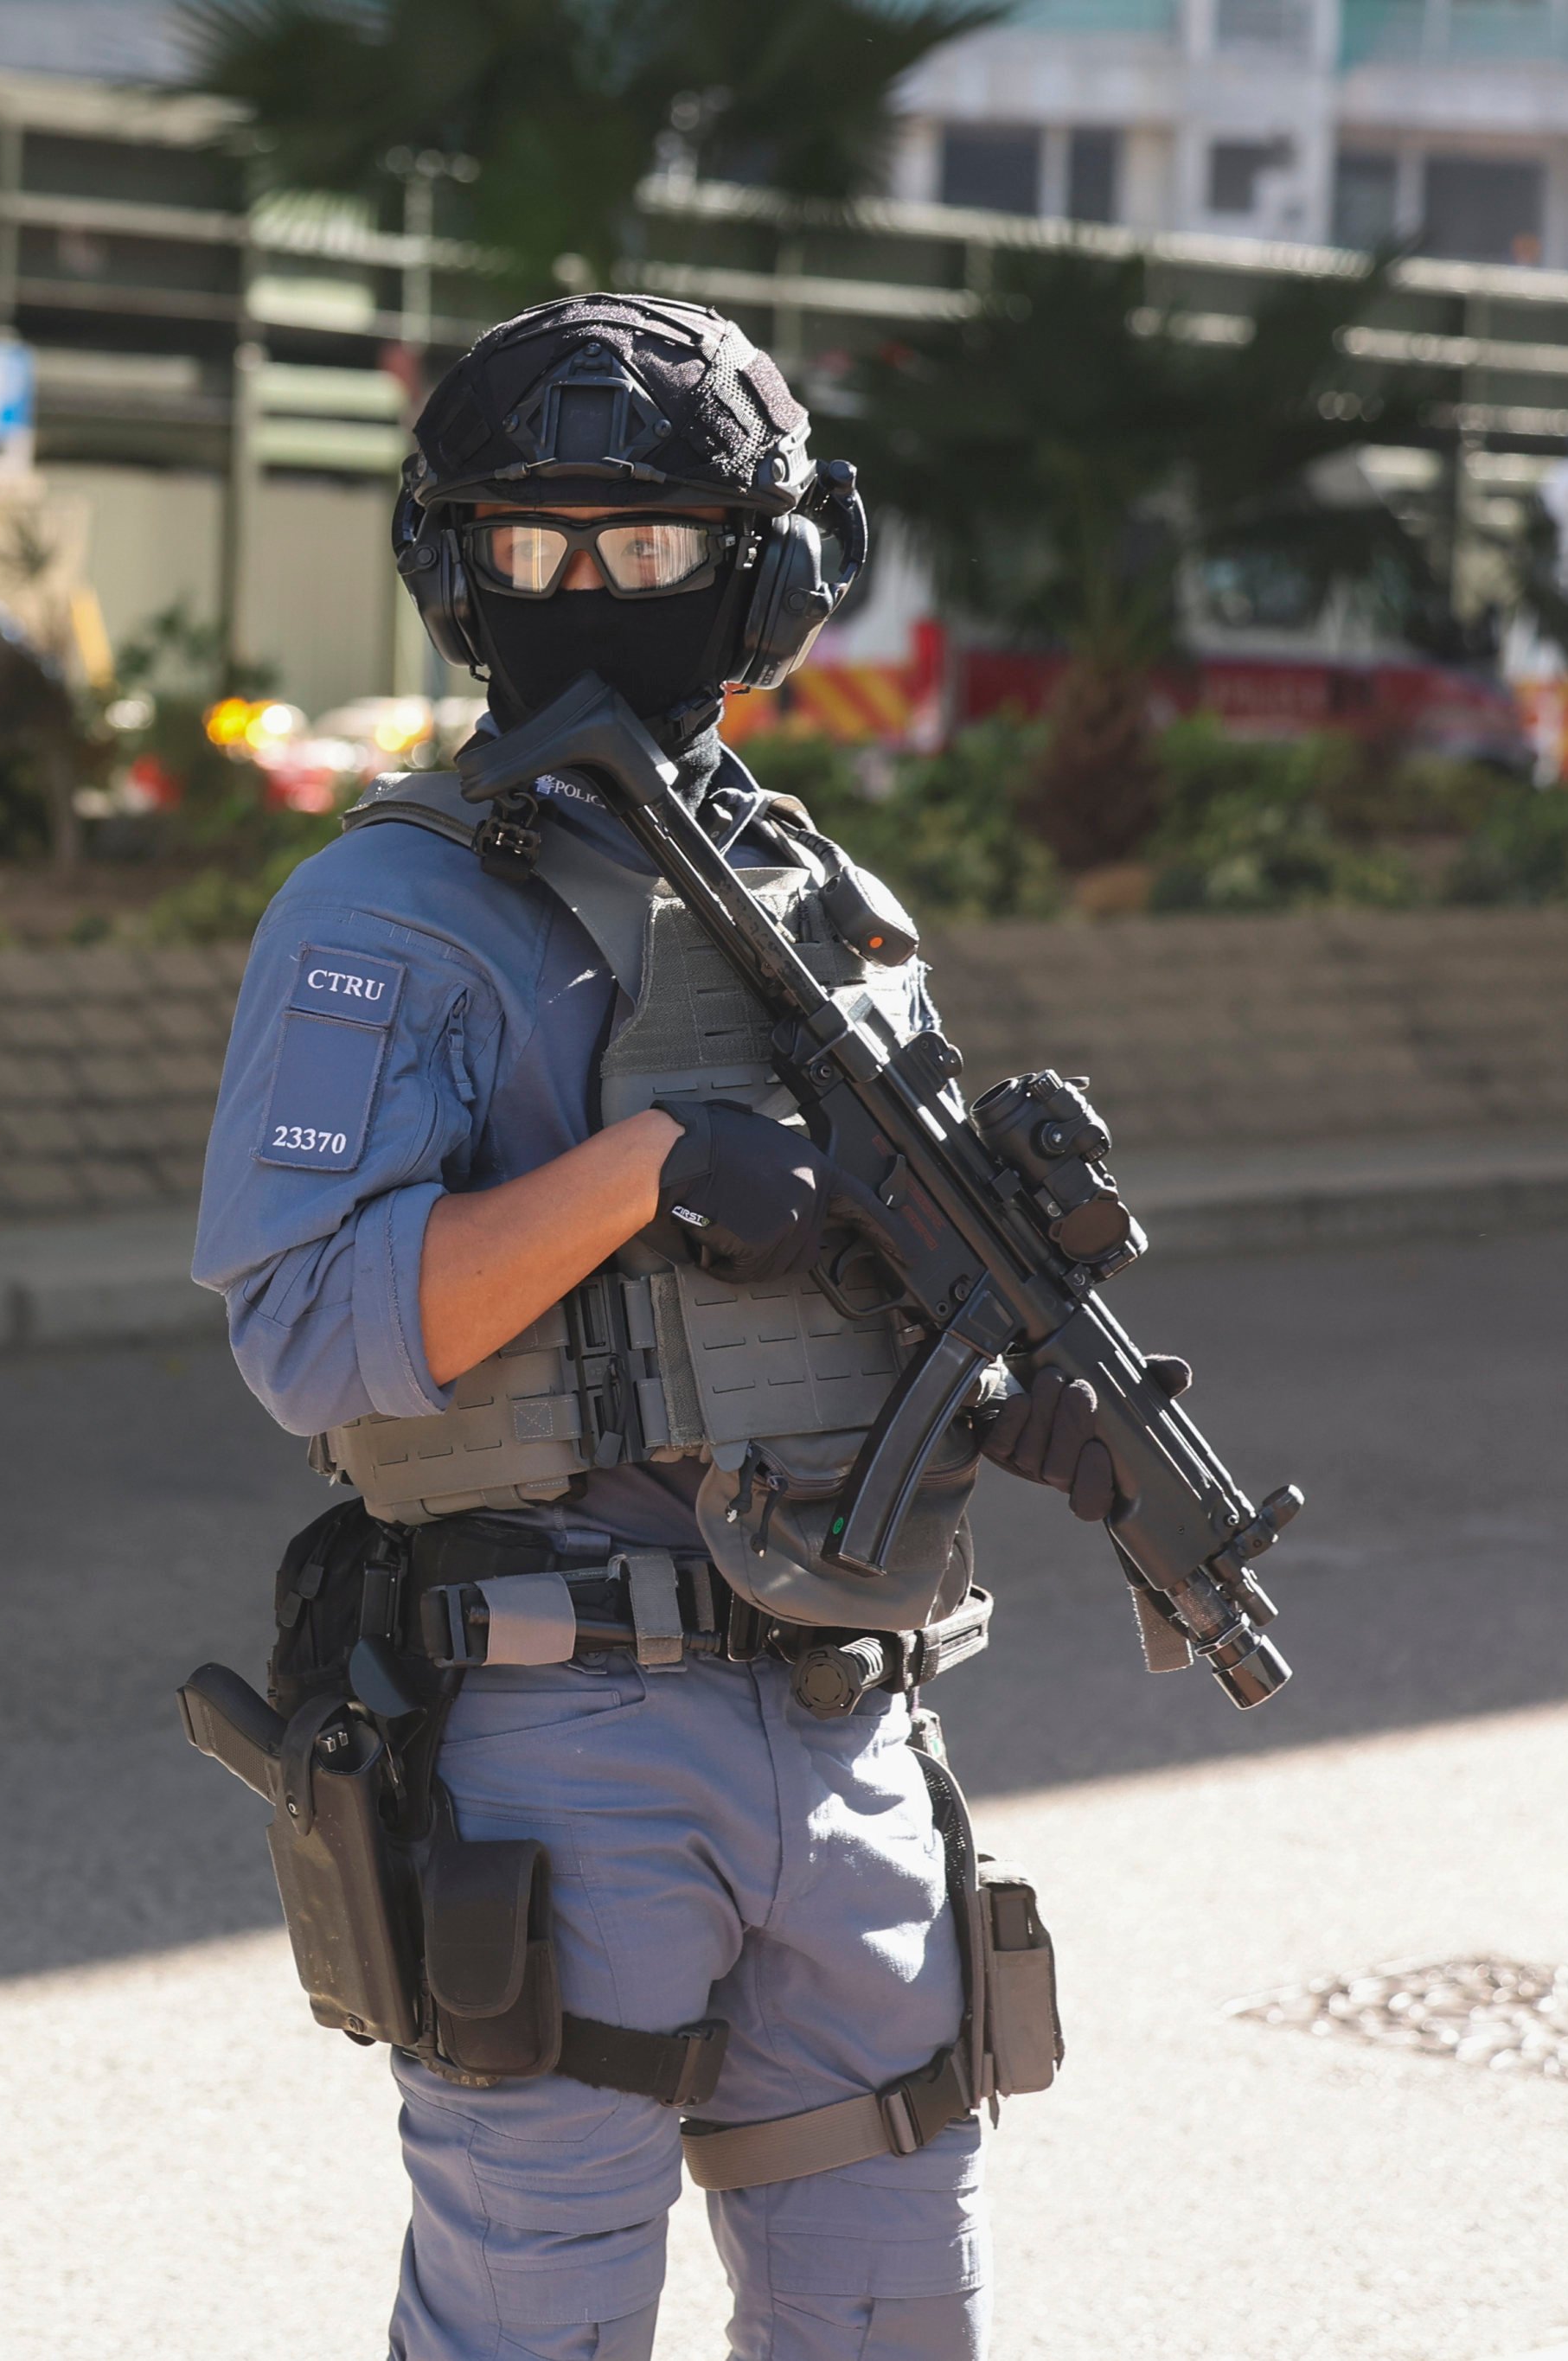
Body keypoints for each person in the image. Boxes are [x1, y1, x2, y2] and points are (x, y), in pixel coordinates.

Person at [193, 296, 1113, 2359]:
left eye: (657, 544)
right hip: (556, 1736)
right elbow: (312, 1338)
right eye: (535, 547)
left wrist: (1009, 1385)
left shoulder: (829, 905)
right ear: (458, 574)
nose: (591, 591)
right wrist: (640, 1171)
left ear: (771, 579)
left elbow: (892, 1275)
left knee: (896, 2323)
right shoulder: (390, 913)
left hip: (851, 1723)